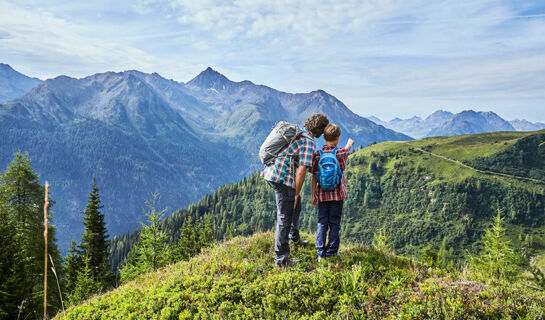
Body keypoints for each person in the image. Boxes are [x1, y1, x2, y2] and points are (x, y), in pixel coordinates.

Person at [263, 114, 329, 267]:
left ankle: (294, 236)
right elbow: (301, 171)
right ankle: (281, 260)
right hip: (282, 178)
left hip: (272, 172)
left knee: (295, 206)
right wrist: (296, 193)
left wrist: (295, 197)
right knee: (284, 216)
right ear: (320, 130)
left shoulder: (299, 132)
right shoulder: (308, 142)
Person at [310, 124, 354, 261]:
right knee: (334, 222)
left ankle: (320, 252)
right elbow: (347, 149)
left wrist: (313, 195)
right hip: (337, 196)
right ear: (338, 138)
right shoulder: (340, 153)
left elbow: (313, 177)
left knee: (322, 222)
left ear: (324, 138)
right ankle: (332, 252)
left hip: (322, 196)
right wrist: (349, 143)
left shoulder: (317, 155)